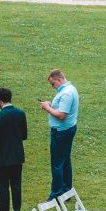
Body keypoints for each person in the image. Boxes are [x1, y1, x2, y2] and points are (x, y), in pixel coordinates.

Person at [0, 86, 28, 211]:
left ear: (0, 100)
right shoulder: (20, 113)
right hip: (17, 156)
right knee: (16, 186)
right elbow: (23, 135)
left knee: (3, 188)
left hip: (2, 158)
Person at [39, 68, 79, 198]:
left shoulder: (66, 93)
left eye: (53, 83)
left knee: (57, 164)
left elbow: (62, 115)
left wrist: (47, 108)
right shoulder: (70, 89)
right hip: (67, 129)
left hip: (61, 132)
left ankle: (56, 195)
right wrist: (51, 105)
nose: (53, 87)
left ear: (59, 79)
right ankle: (66, 190)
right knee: (65, 160)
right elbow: (62, 109)